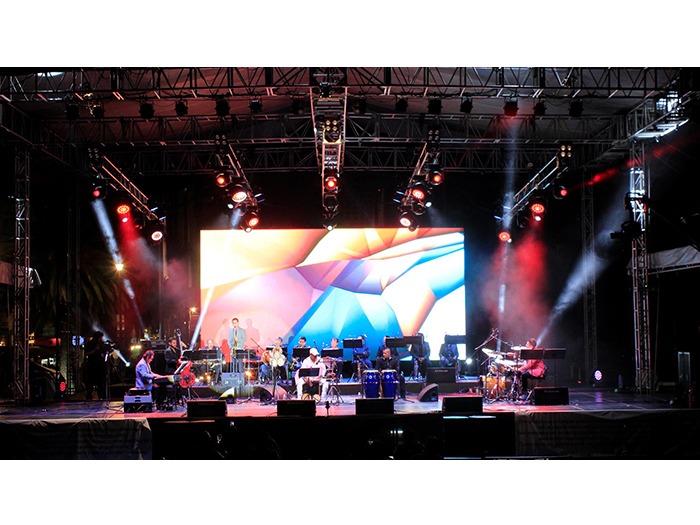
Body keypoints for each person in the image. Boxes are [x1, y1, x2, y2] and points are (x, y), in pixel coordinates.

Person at [84, 331, 108, 400]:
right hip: (92, 365)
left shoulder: (101, 344)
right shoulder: (90, 344)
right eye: (100, 337)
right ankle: (89, 395)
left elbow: (104, 352)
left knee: (100, 382)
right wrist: (95, 350)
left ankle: (101, 396)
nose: (101, 339)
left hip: (100, 365)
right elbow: (86, 353)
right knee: (90, 382)